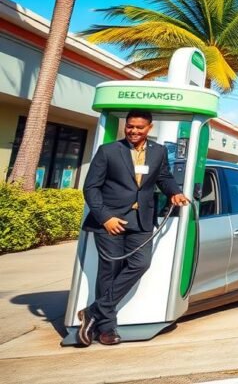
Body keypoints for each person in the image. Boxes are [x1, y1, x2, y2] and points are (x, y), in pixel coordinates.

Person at [76, 109, 189, 346]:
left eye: (139, 127)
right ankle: (107, 328)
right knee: (109, 271)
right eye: (130, 126)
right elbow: (91, 188)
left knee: (141, 263)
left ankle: (94, 311)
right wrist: (105, 217)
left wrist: (175, 192)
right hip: (110, 223)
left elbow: (164, 178)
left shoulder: (158, 152)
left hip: (142, 221)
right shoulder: (108, 151)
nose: (133, 131)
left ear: (150, 128)